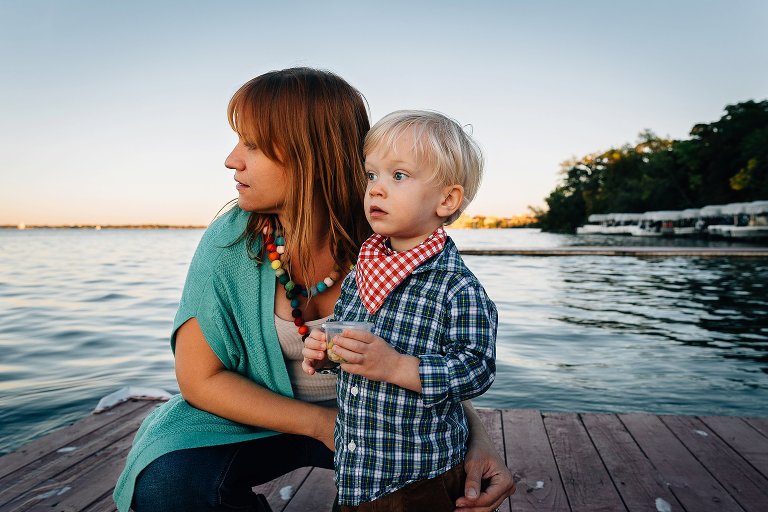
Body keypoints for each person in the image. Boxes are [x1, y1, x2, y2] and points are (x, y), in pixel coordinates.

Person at [113, 67, 515, 512]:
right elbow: (199, 379)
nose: (232, 160)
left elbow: (434, 353)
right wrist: (324, 424)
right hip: (251, 419)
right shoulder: (230, 240)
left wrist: (477, 443)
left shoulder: (395, 233)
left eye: (252, 143)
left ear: (311, 153)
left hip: (380, 425)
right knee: (167, 487)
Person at [302, 110, 497, 511]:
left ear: (447, 200)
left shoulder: (456, 285)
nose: (376, 189)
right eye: (371, 175)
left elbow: (477, 368)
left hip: (417, 476)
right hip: (357, 465)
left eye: (399, 176)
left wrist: (395, 367)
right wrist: (325, 353)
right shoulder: (365, 268)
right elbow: (349, 341)